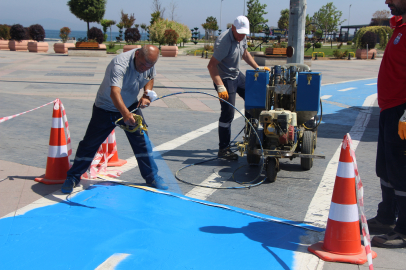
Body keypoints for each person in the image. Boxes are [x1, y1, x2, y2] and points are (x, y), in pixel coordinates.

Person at [61, 45, 168, 194]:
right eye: (143, 64)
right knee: (90, 144)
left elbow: (150, 78)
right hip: (105, 107)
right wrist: (125, 114)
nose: (145, 68)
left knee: (143, 142)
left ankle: (152, 177)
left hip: (130, 105)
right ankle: (73, 177)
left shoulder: (148, 62)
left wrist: (146, 94)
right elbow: (114, 93)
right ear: (137, 54)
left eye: (149, 65)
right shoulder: (120, 63)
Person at [367, 0, 406, 248]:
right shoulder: (400, 27)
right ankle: (386, 217)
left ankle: (403, 229)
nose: (387, 2)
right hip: (389, 108)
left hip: (401, 111)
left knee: (401, 170)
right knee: (386, 167)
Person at [207, 15, 269, 160]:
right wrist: (220, 86)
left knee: (253, 100)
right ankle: (223, 148)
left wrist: (257, 68)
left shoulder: (242, 36)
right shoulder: (224, 41)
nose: (241, 36)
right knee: (228, 113)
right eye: (239, 33)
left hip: (236, 74)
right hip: (224, 78)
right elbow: (211, 65)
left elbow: (245, 53)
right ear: (233, 28)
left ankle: (251, 136)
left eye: (244, 33)